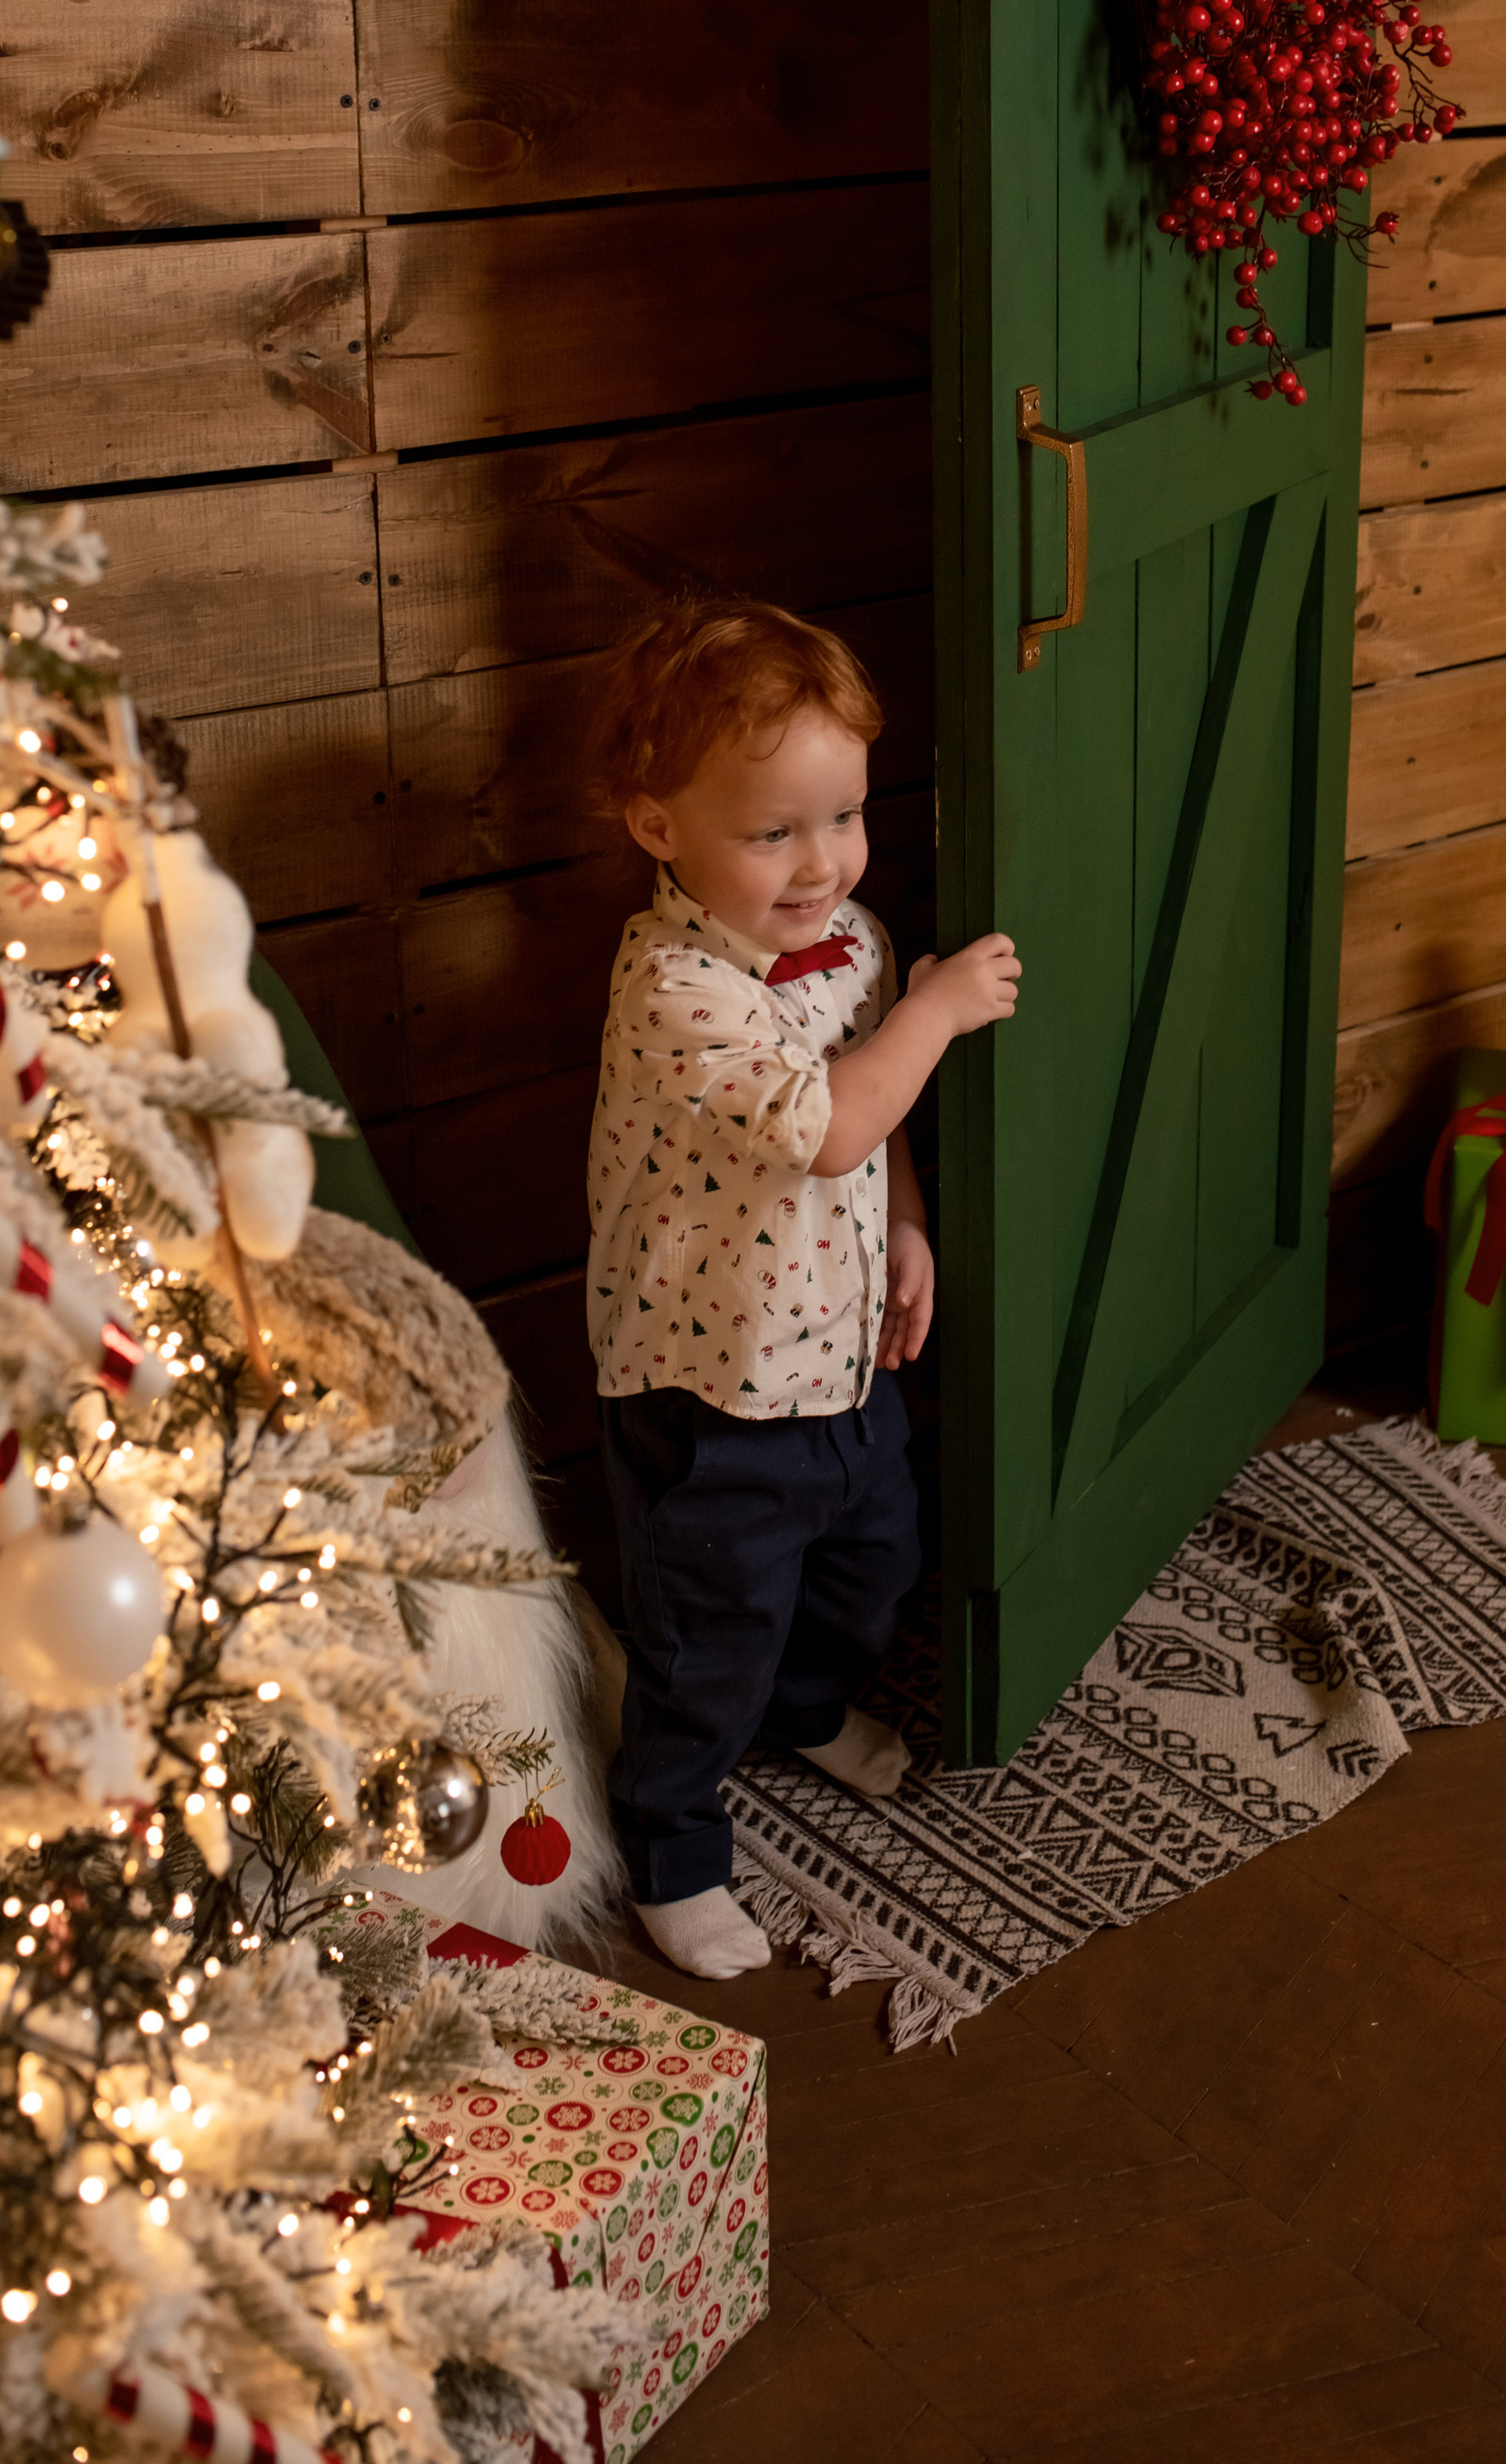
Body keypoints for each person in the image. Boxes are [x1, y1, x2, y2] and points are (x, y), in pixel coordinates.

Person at [587, 596, 1020, 1978]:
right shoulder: (677, 987)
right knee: (708, 1624)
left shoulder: (862, 942)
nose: (819, 862)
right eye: (771, 831)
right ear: (659, 826)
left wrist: (907, 1227)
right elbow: (829, 1115)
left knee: (872, 1557)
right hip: (712, 1387)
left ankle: (811, 1701)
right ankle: (671, 1836)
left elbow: (870, 1137)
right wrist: (936, 1013)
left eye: (843, 817)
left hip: (837, 1350)